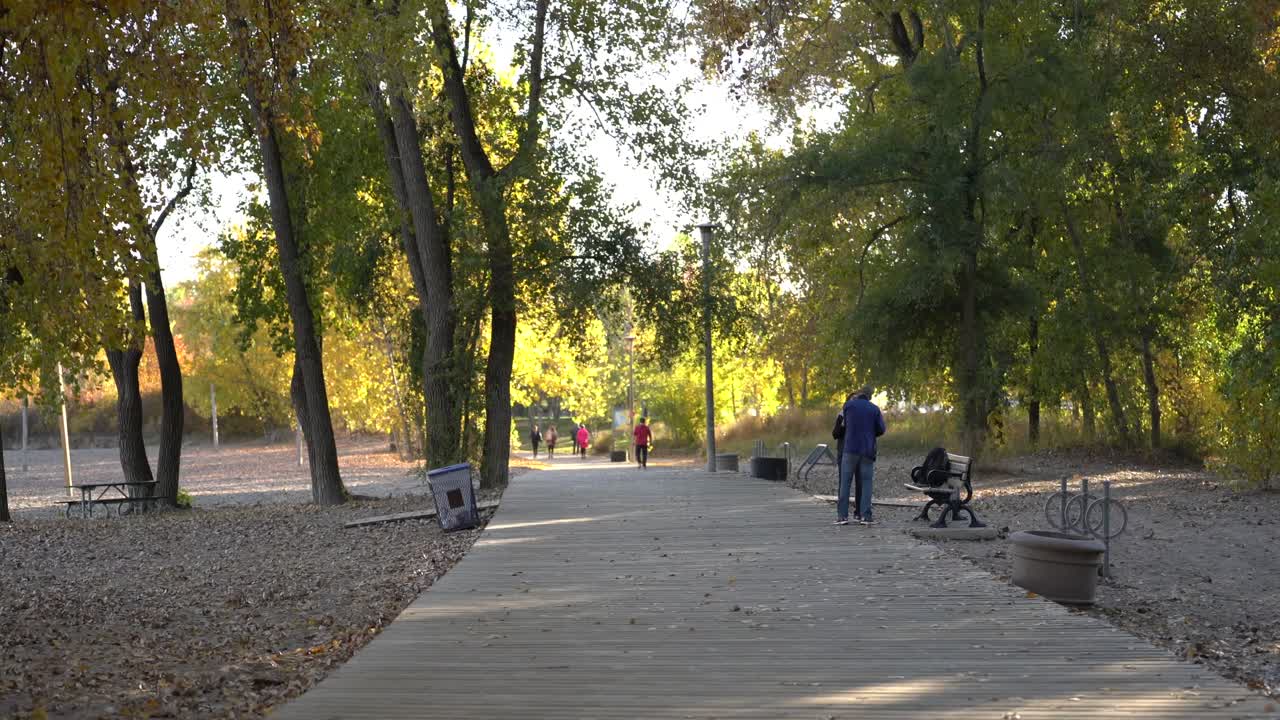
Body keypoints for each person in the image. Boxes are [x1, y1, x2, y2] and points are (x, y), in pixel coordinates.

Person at [835, 386, 886, 526]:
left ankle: (842, 516)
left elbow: (843, 425)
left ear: (859, 394)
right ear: (870, 396)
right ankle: (865, 516)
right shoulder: (874, 409)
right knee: (866, 483)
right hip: (867, 450)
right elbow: (881, 429)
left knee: (845, 482)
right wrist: (871, 433)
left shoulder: (848, 406)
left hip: (850, 448)